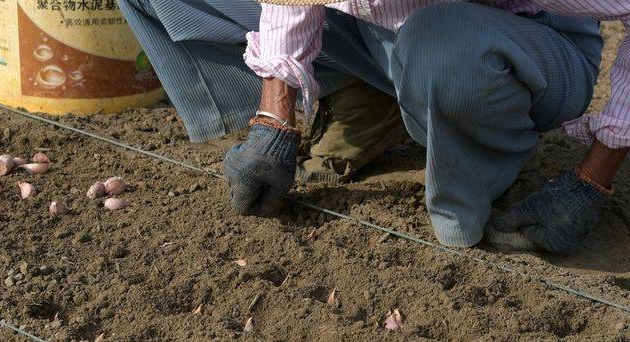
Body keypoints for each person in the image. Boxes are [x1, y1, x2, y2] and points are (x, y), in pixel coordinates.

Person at [117, 0, 630, 252]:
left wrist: (594, 175)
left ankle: (485, 137)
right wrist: (275, 115)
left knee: (443, 42)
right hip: (387, 28)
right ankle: (366, 97)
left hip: (526, 40)